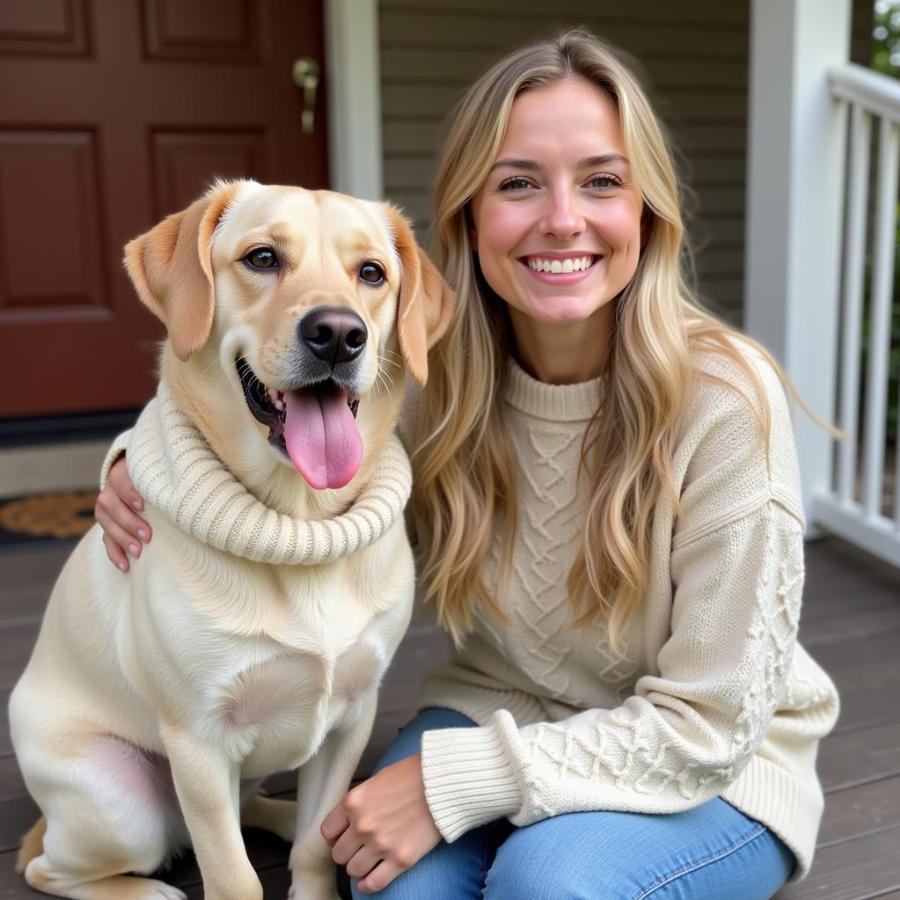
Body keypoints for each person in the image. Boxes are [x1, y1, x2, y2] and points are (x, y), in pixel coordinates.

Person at [95, 29, 839, 899]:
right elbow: (238, 400)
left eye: (602, 180)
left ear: (647, 211)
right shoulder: (423, 375)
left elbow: (712, 724)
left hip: (711, 760)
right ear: (469, 216)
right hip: (496, 707)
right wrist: (136, 464)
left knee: (548, 885)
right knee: (382, 884)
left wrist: (448, 782)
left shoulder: (724, 398)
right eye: (519, 183)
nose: (562, 218)